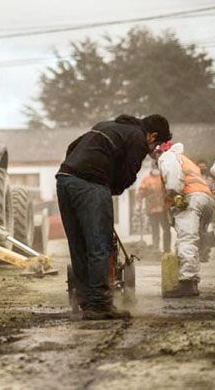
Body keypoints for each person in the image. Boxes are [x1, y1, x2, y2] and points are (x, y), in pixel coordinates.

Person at [56, 114, 171, 320]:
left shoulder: (106, 125)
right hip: (91, 185)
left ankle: (86, 301)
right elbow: (128, 174)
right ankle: (99, 305)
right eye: (156, 145)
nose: (153, 150)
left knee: (79, 244)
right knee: (99, 244)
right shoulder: (137, 138)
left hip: (65, 180)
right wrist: (109, 188)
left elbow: (72, 147)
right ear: (152, 135)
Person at [155, 142, 215, 297]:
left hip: (191, 198)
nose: (154, 157)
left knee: (186, 239)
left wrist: (175, 195)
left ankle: (187, 282)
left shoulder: (167, 156)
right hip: (206, 199)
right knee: (194, 240)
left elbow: (174, 181)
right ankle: (192, 280)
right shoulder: (184, 158)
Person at [138, 164, 169, 252]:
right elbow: (141, 191)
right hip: (152, 209)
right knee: (155, 230)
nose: (155, 169)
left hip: (163, 209)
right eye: (154, 167)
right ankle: (156, 249)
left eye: (157, 167)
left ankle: (167, 250)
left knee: (166, 229)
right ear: (151, 168)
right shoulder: (146, 180)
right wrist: (139, 199)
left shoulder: (164, 178)